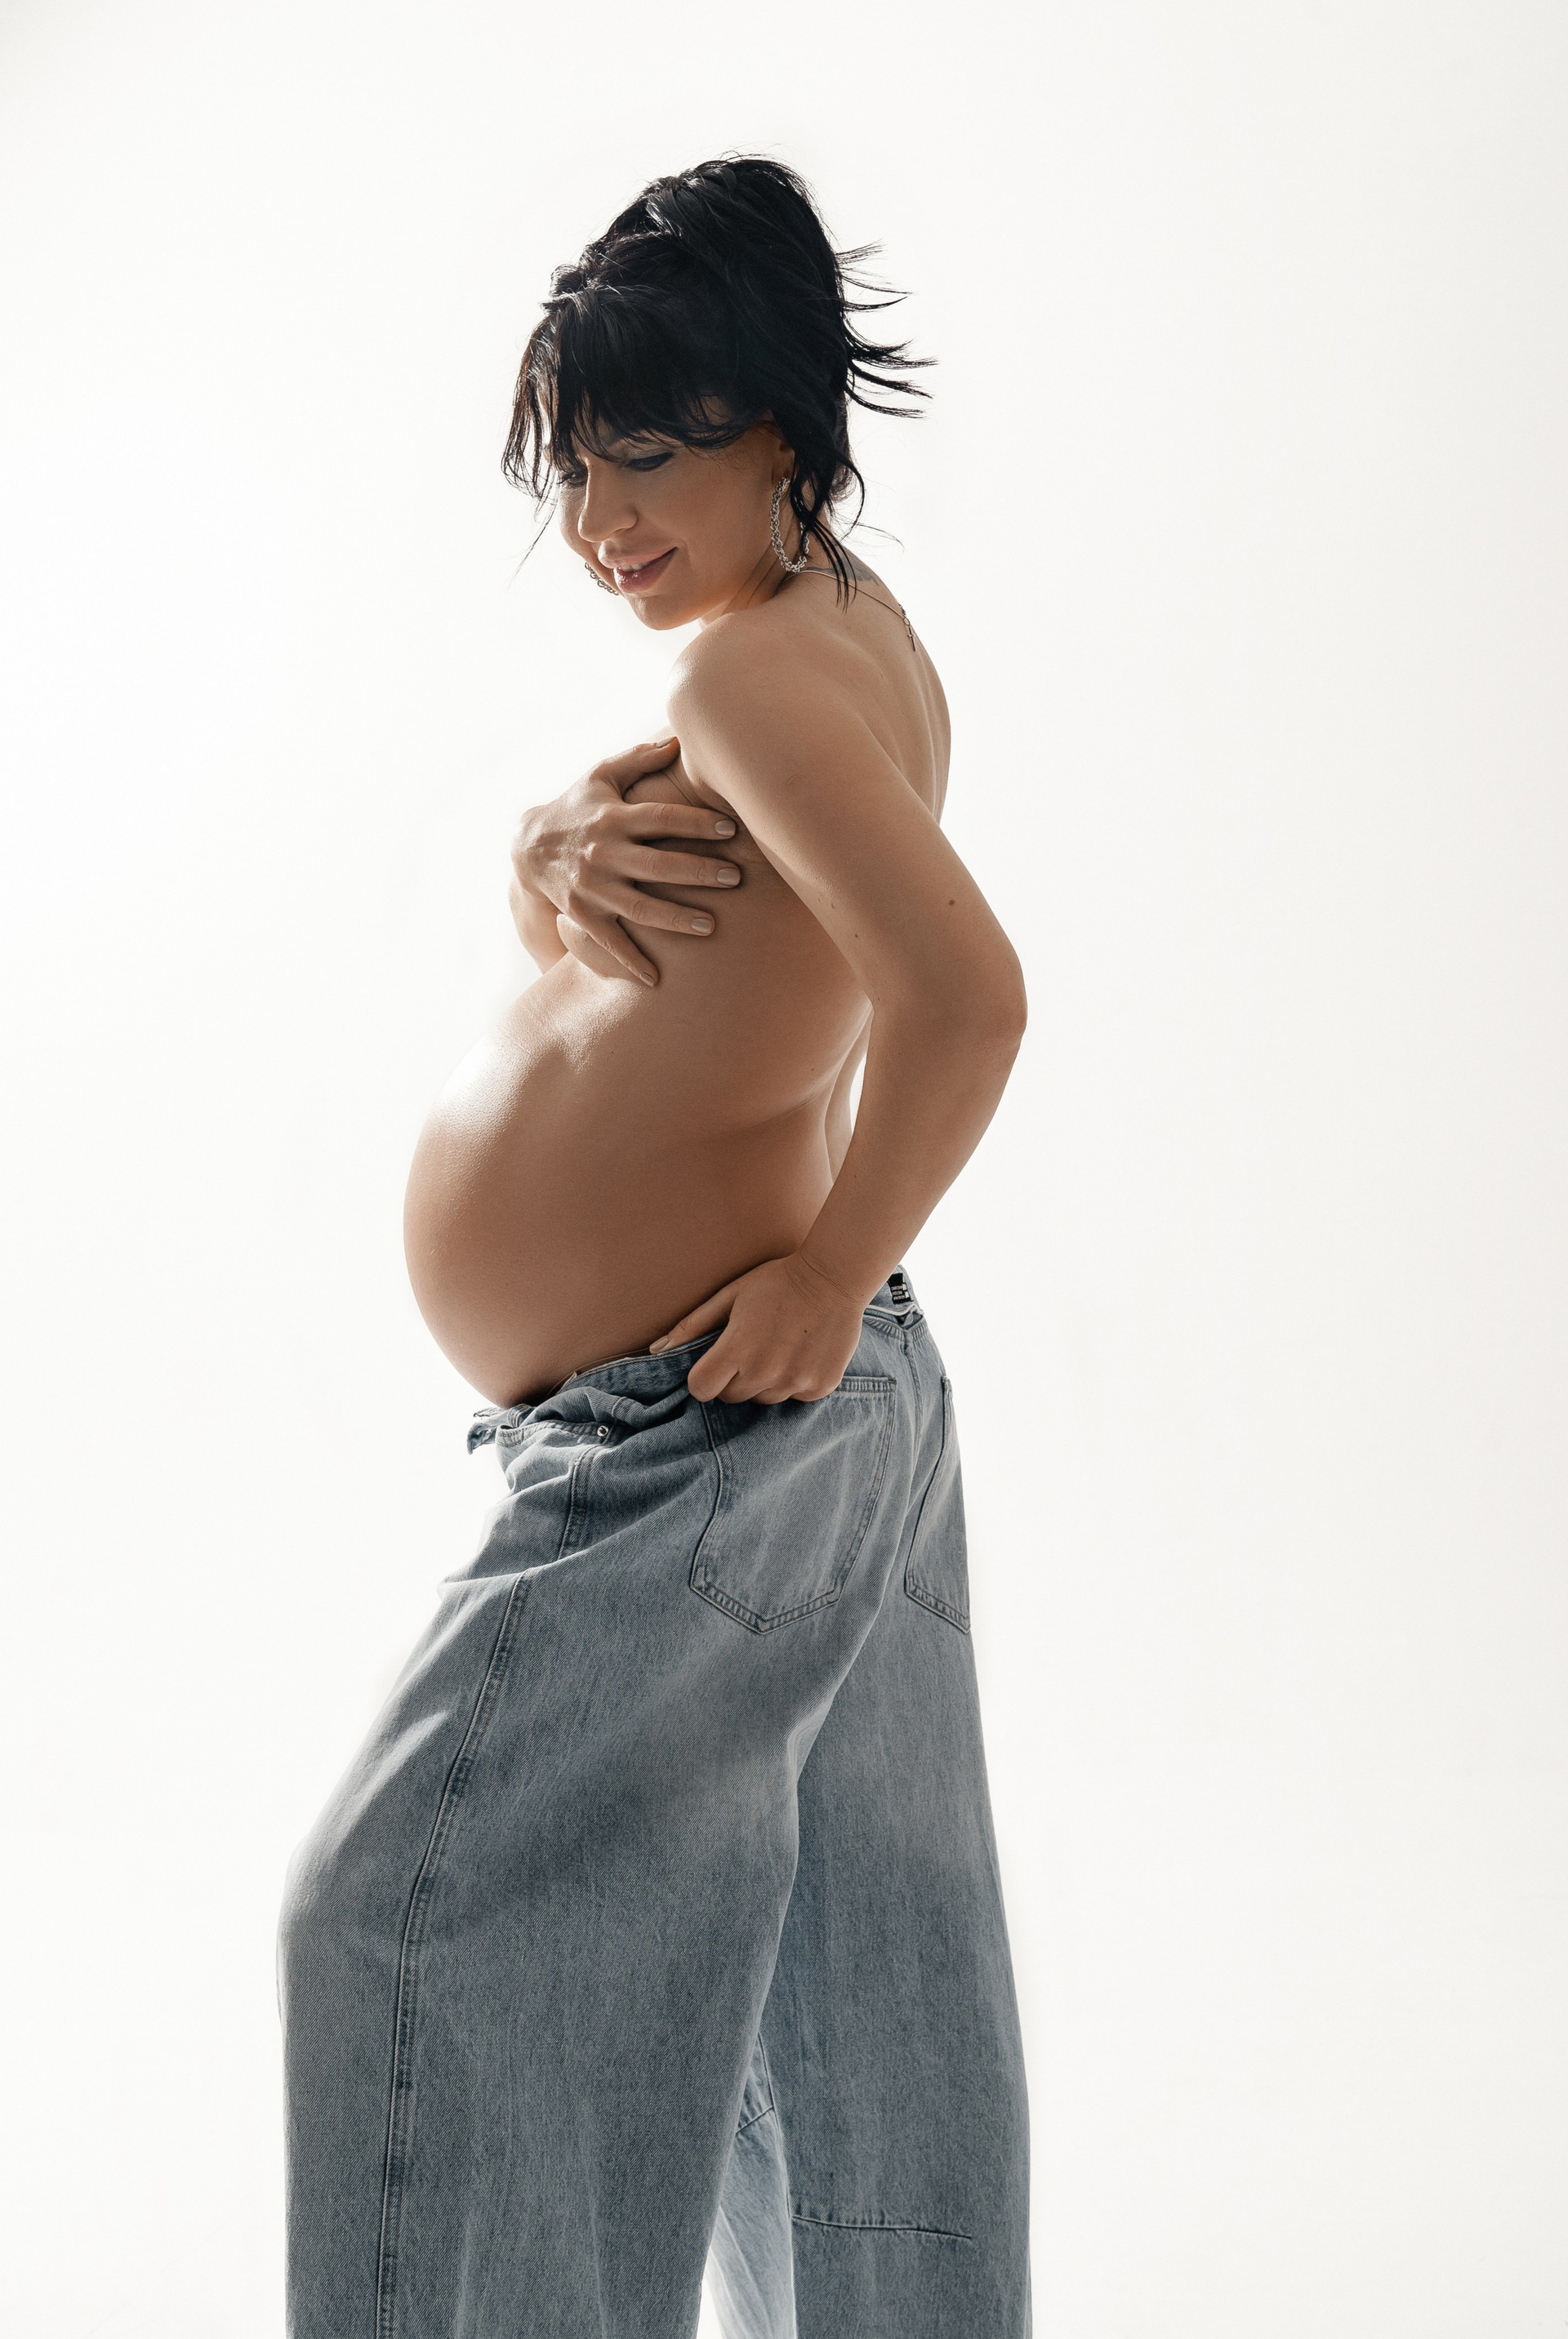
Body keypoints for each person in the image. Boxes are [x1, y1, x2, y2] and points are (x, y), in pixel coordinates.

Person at [278, 156, 1031, 2339]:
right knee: (850, 2041)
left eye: (650, 455)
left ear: (777, 425)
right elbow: (738, 968)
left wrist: (828, 1268)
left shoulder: (754, 684)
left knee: (394, 1935)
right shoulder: (832, 634)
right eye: (576, 470)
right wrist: (543, 853)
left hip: (706, 1418)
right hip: (808, 1412)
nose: (603, 520)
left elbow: (967, 1001)